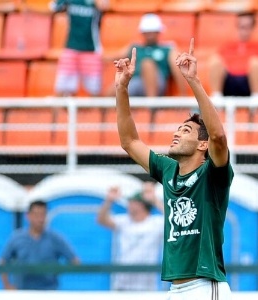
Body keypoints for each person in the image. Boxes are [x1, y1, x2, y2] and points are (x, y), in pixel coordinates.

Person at [113, 38, 234, 298]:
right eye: (178, 129)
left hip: (205, 286)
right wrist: (122, 88)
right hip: (174, 289)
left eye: (186, 130)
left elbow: (219, 138)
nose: (177, 134)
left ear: (203, 144)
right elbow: (130, 141)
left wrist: (193, 81)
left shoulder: (213, 174)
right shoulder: (169, 171)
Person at [97, 182, 164, 291]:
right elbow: (101, 220)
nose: (128, 205)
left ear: (141, 205)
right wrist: (109, 201)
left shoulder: (156, 223)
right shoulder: (124, 221)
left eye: (132, 202)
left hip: (146, 286)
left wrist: (155, 200)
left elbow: (173, 221)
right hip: (122, 284)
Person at [0, 200, 80, 290]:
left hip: (48, 292)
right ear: (28, 216)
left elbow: (75, 261)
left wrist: (58, 269)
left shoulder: (55, 238)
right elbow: (3, 261)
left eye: (43, 214)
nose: (40, 219)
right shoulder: (17, 237)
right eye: (36, 215)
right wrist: (7, 285)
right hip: (23, 292)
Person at [107, 13, 187, 97]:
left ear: (158, 32)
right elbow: (112, 57)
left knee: (147, 64)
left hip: (157, 82)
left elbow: (177, 68)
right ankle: (104, 108)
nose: (150, 35)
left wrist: (183, 94)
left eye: (152, 32)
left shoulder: (168, 48)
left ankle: (152, 106)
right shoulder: (134, 47)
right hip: (136, 82)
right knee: (115, 87)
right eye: (147, 32)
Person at [209, 12, 258, 98]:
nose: (244, 31)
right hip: (229, 82)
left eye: (247, 27)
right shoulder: (227, 46)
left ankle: (257, 98)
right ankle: (216, 98)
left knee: (256, 62)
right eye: (241, 27)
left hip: (249, 83)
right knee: (215, 60)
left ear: (253, 28)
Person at [51, 0, 109, 97]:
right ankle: (60, 112)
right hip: (71, 47)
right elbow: (53, 7)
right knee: (61, 90)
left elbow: (104, 5)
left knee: (95, 91)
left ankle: (96, 112)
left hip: (91, 50)